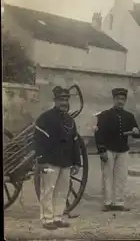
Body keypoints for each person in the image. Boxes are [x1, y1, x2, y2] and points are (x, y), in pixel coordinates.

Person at [34, 86, 81, 230]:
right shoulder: (45, 118)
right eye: (61, 99)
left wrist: (77, 162)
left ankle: (58, 217)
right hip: (50, 161)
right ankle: (47, 219)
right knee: (48, 190)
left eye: (66, 99)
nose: (64, 102)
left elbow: (75, 141)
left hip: (66, 162)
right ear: (55, 100)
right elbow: (39, 140)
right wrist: (41, 160)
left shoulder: (70, 120)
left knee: (62, 191)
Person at [94, 88, 140, 212]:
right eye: (118, 99)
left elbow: (136, 133)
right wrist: (102, 150)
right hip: (108, 149)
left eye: (122, 99)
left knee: (121, 177)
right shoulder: (104, 115)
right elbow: (99, 134)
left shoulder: (129, 116)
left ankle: (118, 202)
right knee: (107, 176)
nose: (120, 101)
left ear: (125, 100)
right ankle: (107, 202)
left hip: (123, 150)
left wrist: (136, 131)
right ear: (114, 99)